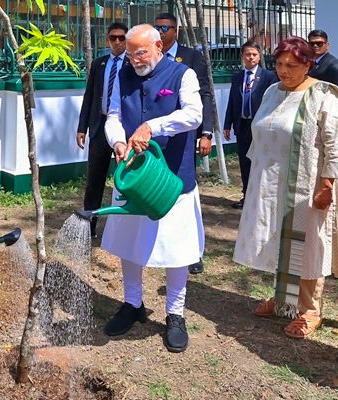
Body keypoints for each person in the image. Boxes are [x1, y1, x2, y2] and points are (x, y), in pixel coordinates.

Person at [233, 37, 338, 339]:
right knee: (277, 239)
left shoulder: (323, 96)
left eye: (292, 66)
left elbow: (335, 146)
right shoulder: (272, 91)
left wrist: (327, 182)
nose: (284, 71)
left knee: (307, 244)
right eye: (280, 64)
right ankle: (284, 299)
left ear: (308, 64)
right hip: (270, 182)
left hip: (306, 184)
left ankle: (310, 310)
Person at [102, 24, 204, 353]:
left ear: (159, 46)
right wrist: (117, 139)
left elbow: (193, 115)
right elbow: (114, 114)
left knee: (177, 248)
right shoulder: (124, 74)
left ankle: (175, 314)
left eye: (140, 52)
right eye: (129, 54)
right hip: (133, 174)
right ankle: (133, 304)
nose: (134, 60)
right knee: (129, 242)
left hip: (172, 176)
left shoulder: (182, 74)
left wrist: (153, 126)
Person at [154, 12, 212, 275]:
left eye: (164, 28)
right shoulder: (150, 57)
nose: (160, 32)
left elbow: (205, 96)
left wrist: (206, 133)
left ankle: (193, 252)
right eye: (156, 28)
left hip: (184, 137)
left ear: (175, 30)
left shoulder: (190, 57)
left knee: (186, 195)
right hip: (155, 140)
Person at [77, 22, 128, 239]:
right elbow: (89, 97)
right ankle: (89, 229)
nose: (117, 42)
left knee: (126, 180)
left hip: (123, 132)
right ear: (107, 40)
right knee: (94, 181)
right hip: (99, 128)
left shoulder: (133, 64)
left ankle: (124, 231)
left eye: (121, 38)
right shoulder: (99, 64)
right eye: (113, 38)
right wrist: (82, 128)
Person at [222, 41, 278, 210]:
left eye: (254, 54)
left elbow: (273, 101)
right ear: (242, 56)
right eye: (248, 54)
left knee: (261, 161)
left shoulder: (269, 76)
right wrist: (227, 124)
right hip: (243, 126)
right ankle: (247, 195)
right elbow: (232, 101)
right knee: (245, 162)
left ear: (259, 56)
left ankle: (262, 196)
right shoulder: (237, 77)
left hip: (261, 126)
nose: (251, 57)